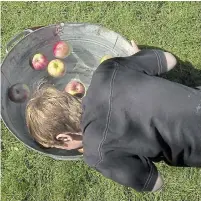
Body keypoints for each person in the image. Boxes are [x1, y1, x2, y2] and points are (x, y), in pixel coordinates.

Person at [25, 40, 201, 192]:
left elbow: (155, 183)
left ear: (63, 137)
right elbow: (169, 60)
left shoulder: (98, 153)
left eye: (61, 146)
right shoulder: (107, 71)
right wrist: (137, 59)